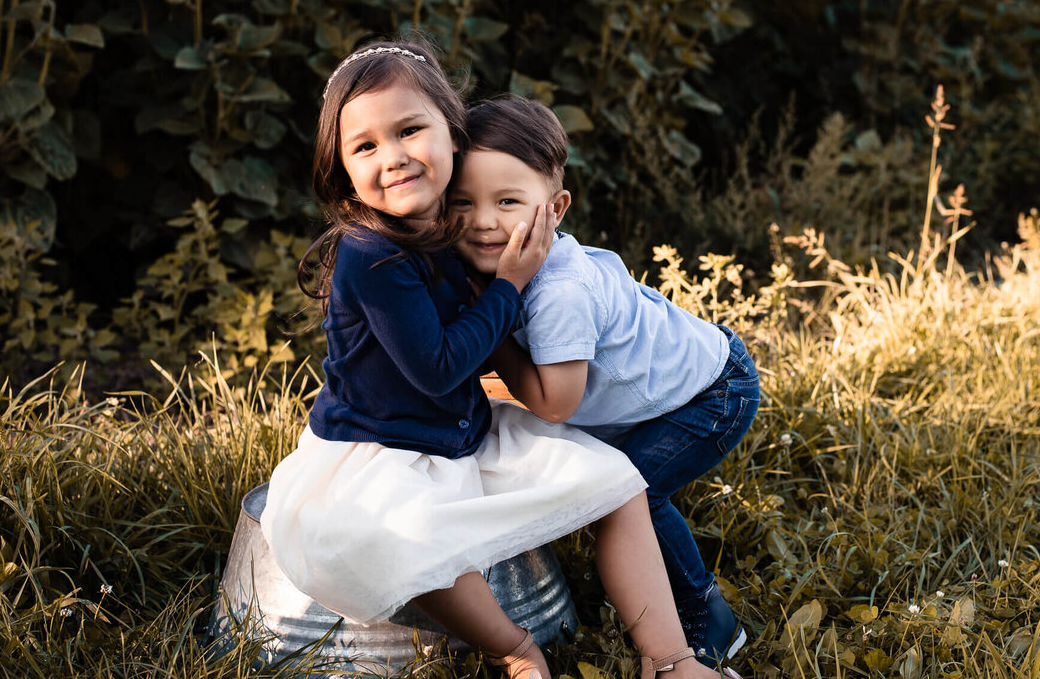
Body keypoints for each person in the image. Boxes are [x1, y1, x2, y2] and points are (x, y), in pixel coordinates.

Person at [259, 41, 730, 679]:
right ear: (341, 169)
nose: (393, 157)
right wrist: (507, 289)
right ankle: (514, 647)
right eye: (364, 147)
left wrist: (499, 288)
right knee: (407, 536)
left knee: (620, 486)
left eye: (409, 131)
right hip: (384, 450)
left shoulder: (452, 227)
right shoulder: (370, 256)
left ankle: (670, 659)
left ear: (452, 138)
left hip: (465, 430)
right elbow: (437, 366)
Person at [449, 95, 761, 670]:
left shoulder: (560, 295)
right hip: (657, 390)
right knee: (609, 483)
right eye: (462, 202)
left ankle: (705, 616)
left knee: (630, 492)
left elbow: (555, 401)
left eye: (508, 201)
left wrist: (491, 338)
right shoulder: (494, 262)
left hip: (711, 394)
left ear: (556, 207)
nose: (484, 221)